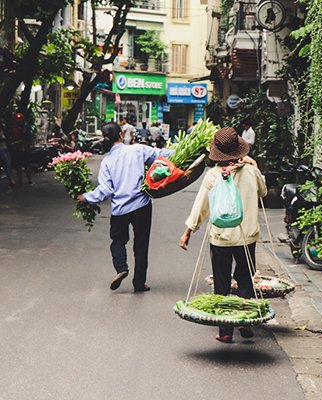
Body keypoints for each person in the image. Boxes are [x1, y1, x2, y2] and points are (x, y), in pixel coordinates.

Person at [179, 127, 267, 343]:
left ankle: (225, 332)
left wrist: (189, 231)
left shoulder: (213, 175)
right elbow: (263, 192)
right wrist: (254, 165)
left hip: (221, 238)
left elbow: (201, 206)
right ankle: (245, 320)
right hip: (247, 236)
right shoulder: (251, 172)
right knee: (245, 280)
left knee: (222, 284)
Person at [76, 122, 174, 292]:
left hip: (120, 209)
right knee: (141, 245)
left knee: (118, 242)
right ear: (122, 135)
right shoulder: (138, 150)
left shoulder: (107, 161)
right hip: (141, 205)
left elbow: (106, 190)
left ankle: (121, 268)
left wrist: (86, 197)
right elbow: (162, 155)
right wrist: (188, 152)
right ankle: (139, 282)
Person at [8, 112, 33, 185]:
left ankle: (29, 180)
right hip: (17, 147)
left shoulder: (26, 127)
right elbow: (10, 137)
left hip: (24, 147)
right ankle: (20, 180)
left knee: (26, 164)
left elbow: (29, 137)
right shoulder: (13, 127)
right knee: (18, 165)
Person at [0, 122, 16, 187]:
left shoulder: (3, 130)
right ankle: (11, 180)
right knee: (6, 164)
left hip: (4, 148)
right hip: (2, 148)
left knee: (7, 164)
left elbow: (6, 138)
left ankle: (11, 180)